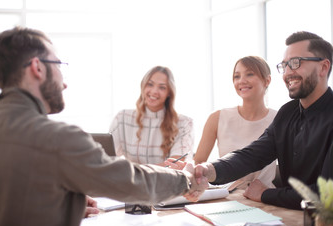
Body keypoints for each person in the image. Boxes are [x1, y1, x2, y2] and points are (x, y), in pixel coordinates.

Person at [0, 27, 208, 226]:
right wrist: (186, 180)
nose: (64, 82)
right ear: (37, 68)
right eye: (58, 65)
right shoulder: (58, 138)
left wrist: (56, 206)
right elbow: (132, 181)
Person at [193, 31, 333, 210]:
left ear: (323, 67)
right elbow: (251, 155)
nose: (288, 72)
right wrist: (207, 170)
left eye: (296, 63)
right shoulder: (287, 113)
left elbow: (326, 196)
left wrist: (265, 193)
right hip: (291, 217)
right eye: (285, 65)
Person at [193, 56, 277, 189]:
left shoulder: (279, 119)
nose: (242, 81)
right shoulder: (217, 118)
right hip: (227, 197)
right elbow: (199, 163)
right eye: (237, 76)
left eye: (249, 74)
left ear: (267, 80)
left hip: (266, 197)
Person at [109, 66, 194, 167]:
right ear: (143, 86)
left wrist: (135, 171)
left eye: (162, 87)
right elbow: (106, 158)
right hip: (131, 181)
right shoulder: (122, 118)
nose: (154, 91)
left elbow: (176, 165)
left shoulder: (184, 123)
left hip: (166, 181)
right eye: (150, 84)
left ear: (169, 93)